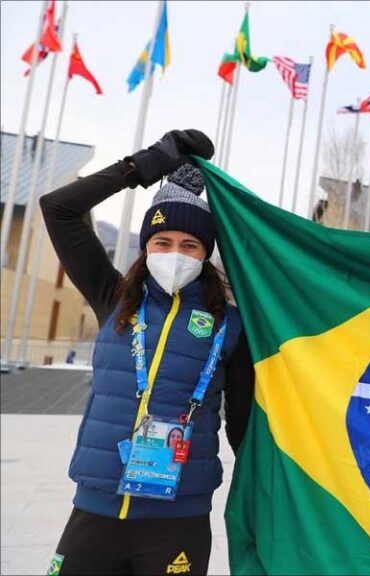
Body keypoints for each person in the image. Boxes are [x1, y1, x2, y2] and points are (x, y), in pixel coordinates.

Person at [39, 130, 255, 575]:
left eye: (189, 245)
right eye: (163, 242)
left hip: (179, 522)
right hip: (95, 514)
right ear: (146, 249)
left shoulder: (230, 326)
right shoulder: (113, 298)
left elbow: (245, 431)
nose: (175, 254)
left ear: (205, 254)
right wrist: (143, 165)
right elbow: (58, 209)